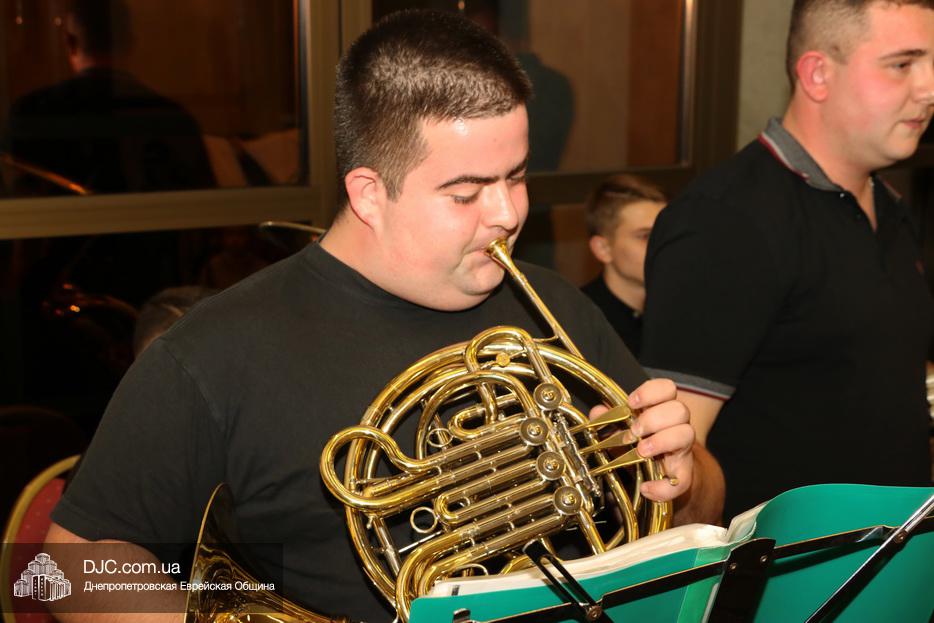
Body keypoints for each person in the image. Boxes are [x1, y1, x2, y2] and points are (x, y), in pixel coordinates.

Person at [45, 10, 712, 623]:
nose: (508, 213)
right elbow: (65, 568)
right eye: (467, 192)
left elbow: (699, 508)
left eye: (516, 176)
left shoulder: (555, 307)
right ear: (368, 193)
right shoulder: (216, 353)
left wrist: (684, 475)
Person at [641, 0, 934, 524]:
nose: (929, 88)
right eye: (902, 64)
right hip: (787, 570)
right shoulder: (725, 221)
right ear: (818, 74)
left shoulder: (889, 206)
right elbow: (671, 469)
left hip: (896, 558)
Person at [2, 0, 215, 195]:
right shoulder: (172, 119)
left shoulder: (31, 113)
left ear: (70, 43)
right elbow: (202, 208)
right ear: (130, 42)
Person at [582, 174, 667, 357]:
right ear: (603, 249)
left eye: (666, 233)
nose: (662, 244)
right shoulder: (578, 321)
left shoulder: (681, 309)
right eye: (645, 236)